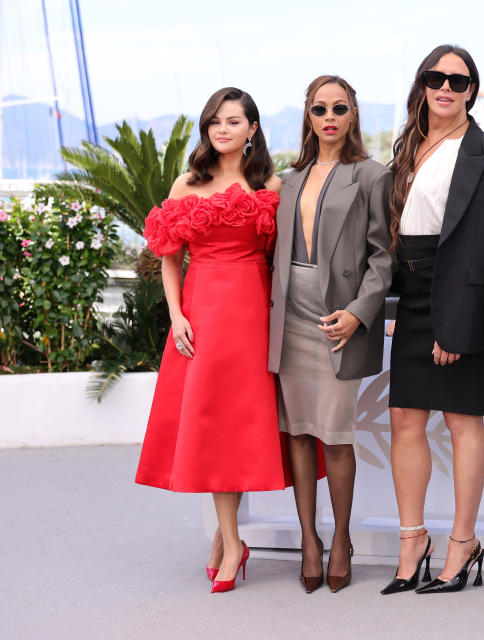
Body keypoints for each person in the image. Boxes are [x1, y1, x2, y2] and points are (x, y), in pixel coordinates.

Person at [135, 87, 288, 594]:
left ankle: (228, 544)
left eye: (233, 121)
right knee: (215, 425)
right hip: (202, 314)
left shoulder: (270, 182)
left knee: (240, 427)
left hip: (251, 314)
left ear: (253, 129)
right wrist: (177, 315)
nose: (221, 129)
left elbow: (285, 257)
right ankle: (231, 540)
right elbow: (170, 257)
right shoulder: (187, 183)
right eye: (214, 122)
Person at [382, 44, 484, 596]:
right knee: (404, 423)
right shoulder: (406, 150)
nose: (446, 87)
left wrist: (458, 326)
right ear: (422, 85)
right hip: (412, 293)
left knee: (462, 421)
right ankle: (413, 538)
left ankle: (463, 543)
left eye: (458, 81)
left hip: (458, 300)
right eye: (436, 77)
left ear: (472, 92)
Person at [266, 75, 393, 594]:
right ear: (308, 117)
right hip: (290, 315)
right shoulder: (287, 178)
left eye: (339, 108)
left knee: (337, 435)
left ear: (353, 114)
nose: (330, 117)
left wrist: (360, 313)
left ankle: (341, 538)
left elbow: (384, 256)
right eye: (320, 109)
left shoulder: (370, 175)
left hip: (338, 319)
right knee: (297, 430)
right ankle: (308, 539)